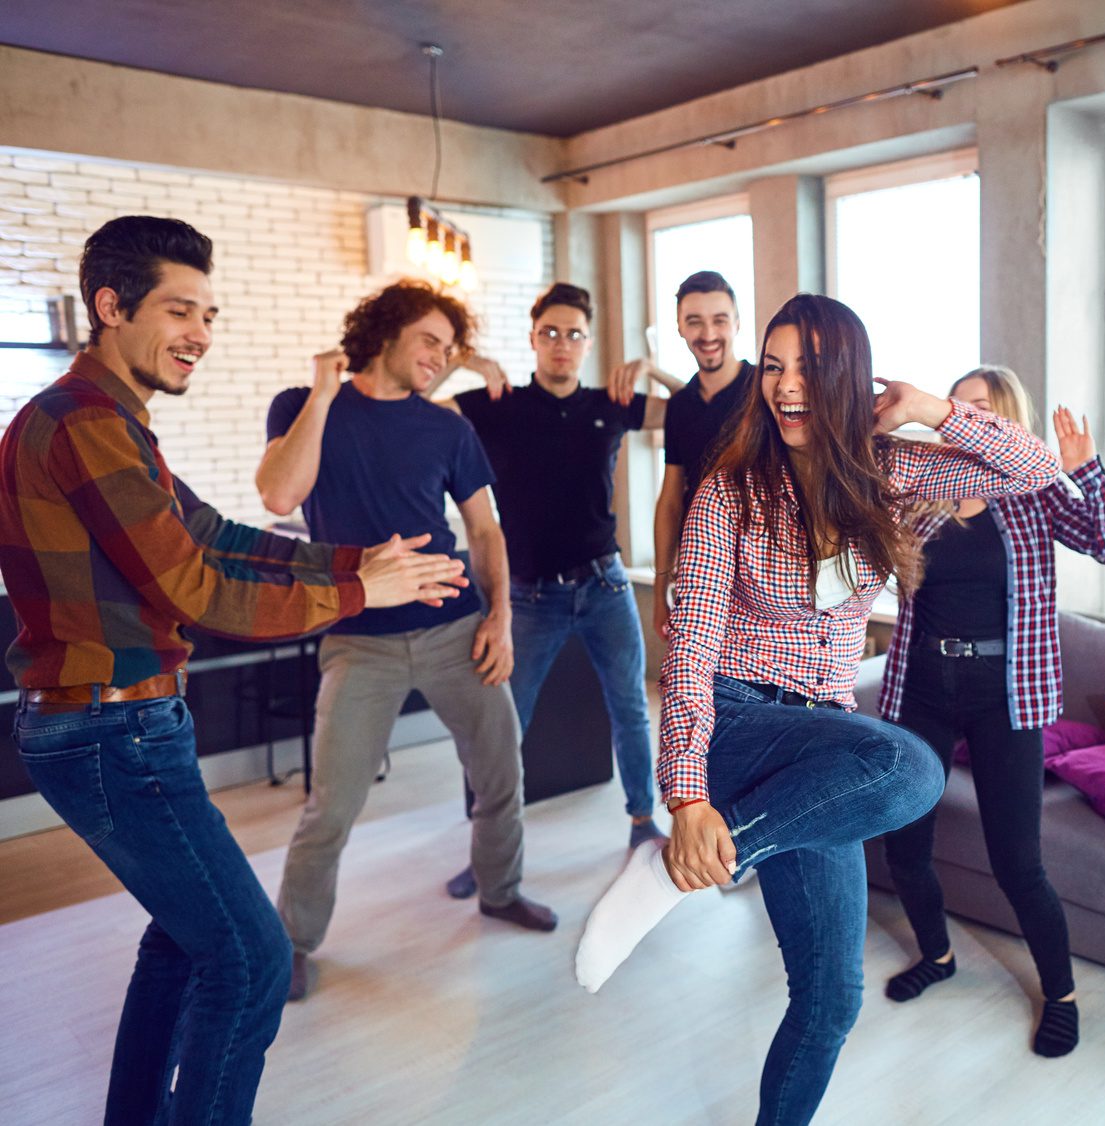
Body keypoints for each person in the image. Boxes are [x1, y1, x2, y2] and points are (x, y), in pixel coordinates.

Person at [0, 216, 468, 1124]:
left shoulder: (104, 418)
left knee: (186, 945)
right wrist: (359, 593)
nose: (201, 334)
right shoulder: (82, 422)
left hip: (114, 725)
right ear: (111, 306)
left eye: (209, 314)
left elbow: (210, 534)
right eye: (180, 311)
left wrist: (354, 559)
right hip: (113, 730)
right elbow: (196, 588)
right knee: (252, 960)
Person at [573, 295, 1064, 1126]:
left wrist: (930, 406)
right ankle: (690, 856)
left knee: (833, 998)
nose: (786, 385)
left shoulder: (894, 474)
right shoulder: (731, 491)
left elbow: (1036, 469)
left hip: (820, 746)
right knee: (910, 763)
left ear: (850, 378)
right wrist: (686, 798)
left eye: (808, 367)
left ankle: (677, 874)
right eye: (773, 367)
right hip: (738, 720)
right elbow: (690, 651)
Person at [258, 280, 557, 1003]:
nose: (440, 358)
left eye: (449, 349)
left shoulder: (447, 429)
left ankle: (499, 890)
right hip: (359, 642)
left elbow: (484, 529)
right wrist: (324, 396)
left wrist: (499, 618)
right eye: (429, 340)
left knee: (501, 775)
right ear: (386, 332)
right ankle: (290, 944)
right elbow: (278, 494)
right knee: (332, 805)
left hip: (456, 630)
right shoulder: (302, 405)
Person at [877, 365, 1105, 1059]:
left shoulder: (1034, 490)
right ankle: (937, 955)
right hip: (922, 690)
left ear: (1006, 422)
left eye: (982, 411)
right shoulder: (922, 492)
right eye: (956, 407)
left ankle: (1062, 996)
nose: (965, 420)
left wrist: (1087, 472)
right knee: (904, 846)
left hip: (1007, 700)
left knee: (1018, 863)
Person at [430, 283, 682, 888]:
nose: (562, 344)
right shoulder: (498, 403)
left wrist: (652, 369)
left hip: (605, 587)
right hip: (529, 598)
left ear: (587, 343)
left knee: (631, 709)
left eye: (574, 334)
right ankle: (489, 853)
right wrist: (465, 360)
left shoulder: (610, 404)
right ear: (533, 339)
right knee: (503, 725)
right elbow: (415, 411)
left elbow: (702, 410)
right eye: (550, 333)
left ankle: (642, 821)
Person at [642, 270, 756, 641]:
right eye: (694, 321)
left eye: (719, 320)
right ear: (679, 327)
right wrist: (660, 589)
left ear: (737, 323)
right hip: (697, 568)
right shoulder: (680, 405)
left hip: (760, 573)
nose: (708, 334)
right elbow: (671, 498)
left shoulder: (764, 389)